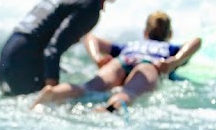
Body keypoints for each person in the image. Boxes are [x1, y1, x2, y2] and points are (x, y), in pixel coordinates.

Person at [0, 0, 131, 97]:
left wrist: (97, 57)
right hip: (22, 67)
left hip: (8, 60)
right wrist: (53, 92)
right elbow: (53, 49)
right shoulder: (91, 5)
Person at [29, 11, 202, 112]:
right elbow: (196, 41)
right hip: (149, 65)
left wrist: (97, 58)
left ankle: (54, 92)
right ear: (169, 34)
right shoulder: (168, 49)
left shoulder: (130, 45)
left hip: (123, 59)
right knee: (128, 93)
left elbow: (90, 38)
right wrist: (175, 61)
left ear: (145, 32)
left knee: (87, 88)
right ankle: (108, 110)